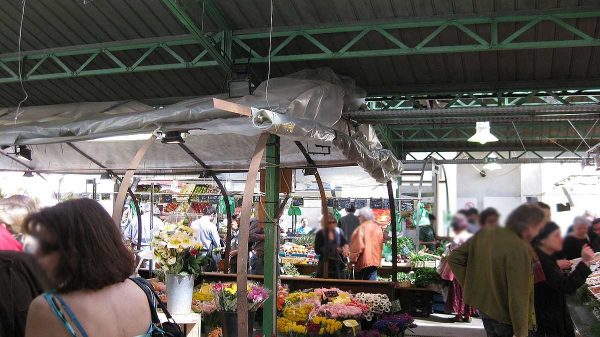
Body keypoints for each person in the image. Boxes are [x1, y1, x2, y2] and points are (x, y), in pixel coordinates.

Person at [23, 199, 153, 337]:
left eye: (48, 248)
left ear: (75, 250)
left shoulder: (49, 307)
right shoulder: (140, 291)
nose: (37, 256)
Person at [448, 203, 546, 337]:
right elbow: (518, 295)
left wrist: (473, 286)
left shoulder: (485, 235)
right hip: (505, 316)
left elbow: (454, 258)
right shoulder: (519, 247)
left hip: (485, 308)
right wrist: (521, 333)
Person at [532, 222, 592, 337]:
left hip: (550, 310)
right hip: (550, 315)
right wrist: (585, 261)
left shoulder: (543, 256)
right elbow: (566, 286)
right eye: (556, 236)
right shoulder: (542, 261)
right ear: (543, 240)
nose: (561, 239)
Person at [441, 214, 476, 323]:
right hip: (469, 270)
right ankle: (468, 315)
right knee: (467, 292)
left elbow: (453, 255)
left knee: (458, 293)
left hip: (458, 270)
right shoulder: (471, 236)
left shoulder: (457, 238)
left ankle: (460, 315)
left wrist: (445, 256)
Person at [349, 207, 383, 280]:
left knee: (360, 289)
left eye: (359, 216)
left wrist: (352, 261)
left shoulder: (361, 228)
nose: (359, 218)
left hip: (362, 263)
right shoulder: (378, 228)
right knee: (371, 289)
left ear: (364, 217)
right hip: (375, 262)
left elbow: (357, 248)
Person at [315, 213, 349, 279]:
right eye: (329, 222)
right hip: (325, 264)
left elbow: (344, 244)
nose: (332, 224)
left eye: (333, 222)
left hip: (337, 266)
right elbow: (317, 250)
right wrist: (330, 249)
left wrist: (344, 249)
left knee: (338, 286)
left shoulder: (339, 232)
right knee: (323, 286)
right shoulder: (320, 233)